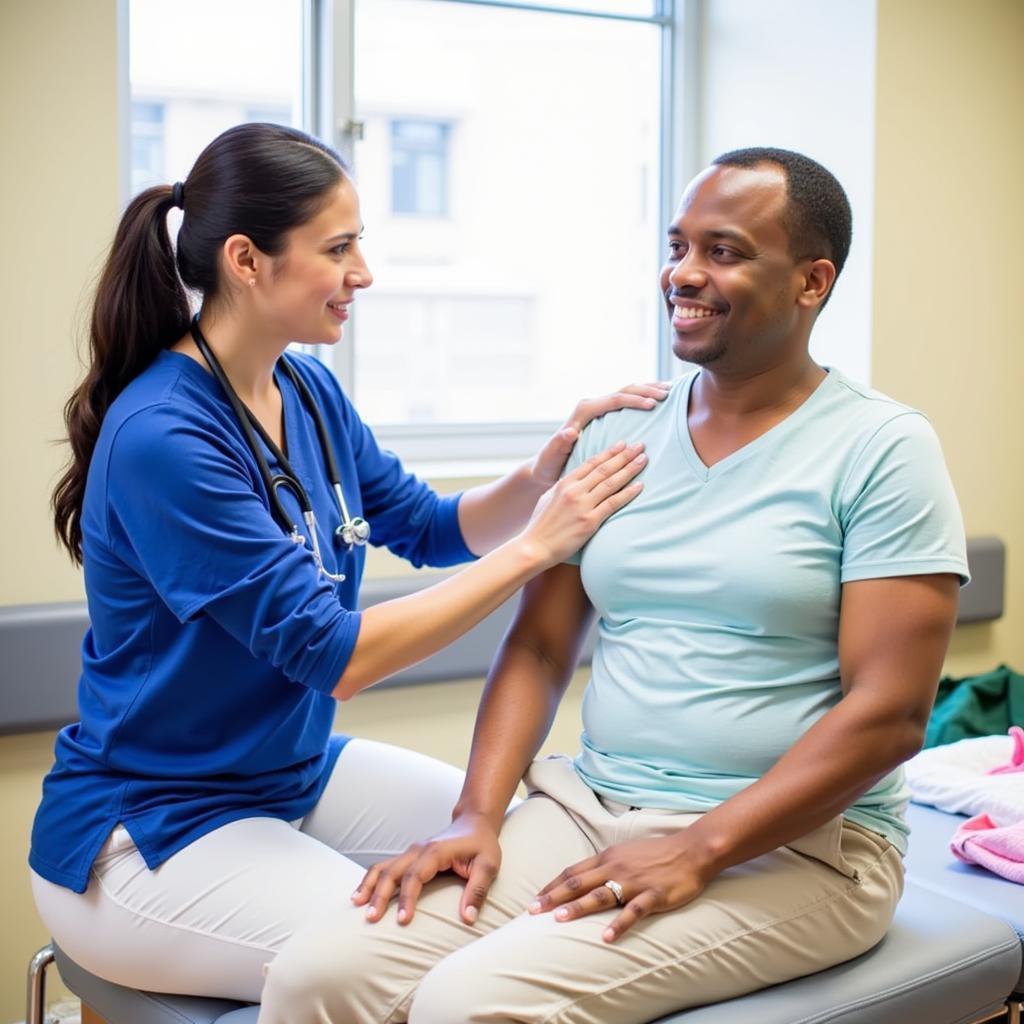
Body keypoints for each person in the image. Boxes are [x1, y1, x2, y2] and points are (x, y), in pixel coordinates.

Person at [266, 148, 971, 1024]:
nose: (684, 273)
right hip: (589, 806)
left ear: (811, 281)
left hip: (801, 846)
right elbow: (540, 644)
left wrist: (701, 847)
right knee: (314, 978)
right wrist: (476, 814)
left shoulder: (883, 450)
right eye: (678, 246)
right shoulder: (622, 436)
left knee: (467, 1004)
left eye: (724, 251)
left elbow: (892, 712)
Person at [27, 122, 664, 1003]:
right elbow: (341, 656)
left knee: (516, 867)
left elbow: (428, 525)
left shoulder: (304, 387)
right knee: (417, 955)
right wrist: (538, 548)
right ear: (248, 261)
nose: (363, 272)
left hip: (287, 774)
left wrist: (543, 473)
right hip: (148, 832)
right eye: (339, 247)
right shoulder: (164, 437)